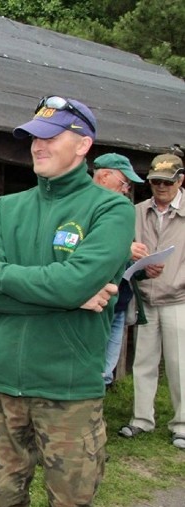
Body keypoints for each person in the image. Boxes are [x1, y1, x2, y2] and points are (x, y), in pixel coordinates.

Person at [0, 97, 135, 507]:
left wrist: (5, 276)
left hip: (69, 390)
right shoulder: (8, 206)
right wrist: (66, 292)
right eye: (34, 138)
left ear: (83, 144)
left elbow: (16, 282)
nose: (37, 146)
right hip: (1, 386)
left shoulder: (110, 210)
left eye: (51, 136)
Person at [118, 153, 185, 450]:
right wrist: (136, 258)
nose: (160, 187)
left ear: (181, 180)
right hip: (144, 299)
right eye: (156, 181)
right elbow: (123, 248)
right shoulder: (137, 211)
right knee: (142, 362)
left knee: (179, 364)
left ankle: (181, 424)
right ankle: (142, 419)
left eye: (167, 182)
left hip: (178, 298)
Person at [91, 153, 145, 389]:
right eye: (124, 183)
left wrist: (144, 268)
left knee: (104, 373)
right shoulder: (82, 208)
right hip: (92, 305)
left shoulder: (119, 211)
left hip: (118, 303)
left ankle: (95, 420)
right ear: (104, 177)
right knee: (90, 371)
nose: (126, 190)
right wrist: (125, 249)